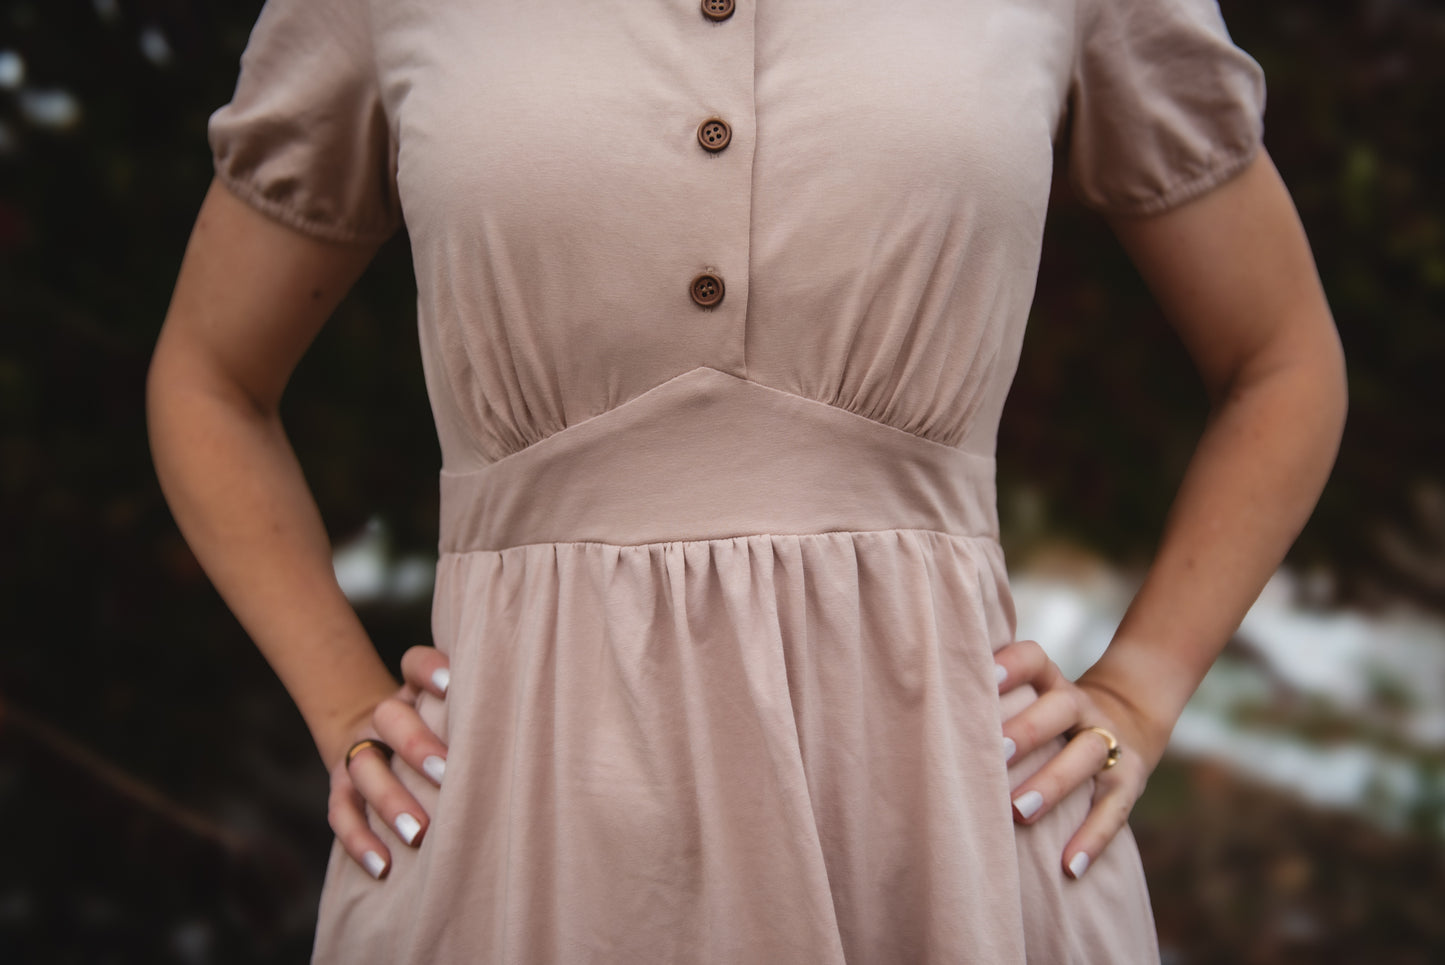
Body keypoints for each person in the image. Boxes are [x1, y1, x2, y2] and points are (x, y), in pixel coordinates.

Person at [146, 0, 1346, 961]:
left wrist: (1136, 692)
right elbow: (209, 377)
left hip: (939, 839)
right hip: (524, 837)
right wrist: (345, 704)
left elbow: (1280, 358)